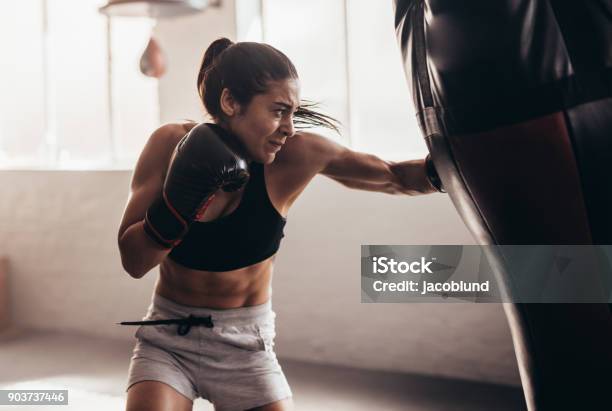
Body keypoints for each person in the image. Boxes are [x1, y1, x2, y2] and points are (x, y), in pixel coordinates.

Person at [117, 37, 439, 411]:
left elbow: (394, 176)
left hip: (246, 346)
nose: (288, 127)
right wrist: (178, 202)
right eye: (278, 111)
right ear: (230, 102)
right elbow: (134, 261)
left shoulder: (299, 155)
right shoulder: (168, 145)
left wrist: (456, 163)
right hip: (169, 338)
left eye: (293, 113)